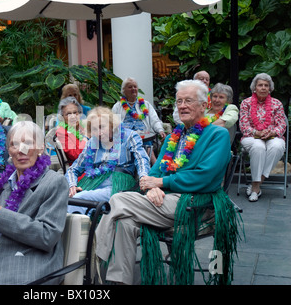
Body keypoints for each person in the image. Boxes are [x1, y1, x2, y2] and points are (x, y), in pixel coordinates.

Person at [95, 79, 240, 285]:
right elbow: (154, 172)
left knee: (117, 200)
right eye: (179, 101)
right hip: (165, 201)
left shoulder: (218, 135)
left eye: (188, 100)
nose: (182, 105)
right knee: (123, 222)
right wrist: (151, 188)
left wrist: (161, 183)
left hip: (195, 203)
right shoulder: (175, 136)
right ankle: (119, 282)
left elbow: (204, 177)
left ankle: (93, 258)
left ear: (204, 105)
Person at [0, 121, 69, 285]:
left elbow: (47, 236)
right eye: (15, 144)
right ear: (9, 150)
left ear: (41, 148)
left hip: (28, 264)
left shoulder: (54, 182)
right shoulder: (5, 183)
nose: (21, 150)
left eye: (28, 143)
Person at [66, 106, 150, 214]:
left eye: (102, 127)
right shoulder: (93, 142)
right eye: (95, 129)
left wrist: (143, 176)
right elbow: (73, 169)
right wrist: (71, 185)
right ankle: (80, 227)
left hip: (118, 184)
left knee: (79, 199)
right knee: (66, 198)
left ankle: (76, 229)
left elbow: (141, 159)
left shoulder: (129, 136)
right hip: (95, 182)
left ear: (111, 125)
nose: (99, 133)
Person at [239, 73, 287, 202]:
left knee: (278, 146)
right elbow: (243, 125)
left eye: (266, 85)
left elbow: (282, 124)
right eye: (260, 85)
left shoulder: (276, 104)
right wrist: (257, 132)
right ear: (255, 87)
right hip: (251, 136)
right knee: (258, 146)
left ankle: (256, 185)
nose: (264, 88)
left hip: (272, 136)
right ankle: (256, 185)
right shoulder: (246, 103)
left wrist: (272, 132)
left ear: (270, 88)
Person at [112, 77, 166, 164]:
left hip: (144, 135)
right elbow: (113, 124)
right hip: (125, 136)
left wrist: (160, 130)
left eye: (135, 86)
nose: (133, 89)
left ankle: (152, 168)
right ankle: (150, 165)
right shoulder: (118, 106)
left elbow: (154, 120)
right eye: (130, 87)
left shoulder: (145, 104)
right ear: (123, 90)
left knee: (145, 142)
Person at [56, 97, 87, 165]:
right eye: (68, 114)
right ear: (62, 117)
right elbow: (75, 155)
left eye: (75, 112)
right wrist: (85, 138)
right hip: (80, 169)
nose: (73, 116)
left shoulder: (83, 127)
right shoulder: (62, 132)